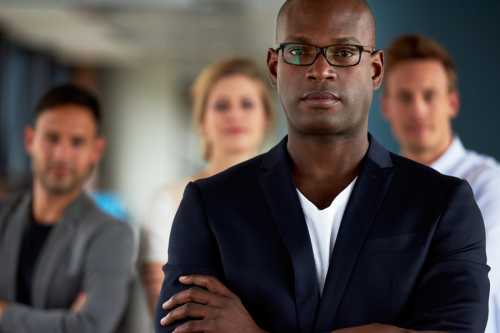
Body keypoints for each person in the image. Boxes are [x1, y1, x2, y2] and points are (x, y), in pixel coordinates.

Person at [155, 0, 489, 332]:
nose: (321, 70)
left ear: (374, 71)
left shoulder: (444, 203)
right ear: (274, 68)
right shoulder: (209, 205)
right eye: (299, 51)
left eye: (344, 53)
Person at [380, 34, 500, 333]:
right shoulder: (373, 187)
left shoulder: (488, 183)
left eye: (429, 95)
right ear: (387, 108)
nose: (417, 110)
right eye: (405, 97)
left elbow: (464, 285)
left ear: (452, 102)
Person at [140, 58, 274, 315]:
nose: (235, 114)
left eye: (247, 104)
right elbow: (169, 309)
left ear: (266, 117)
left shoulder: (293, 195)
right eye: (221, 105)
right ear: (202, 120)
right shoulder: (168, 201)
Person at [0, 84, 135, 333]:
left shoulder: (111, 235)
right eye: (52, 138)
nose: (62, 154)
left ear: (97, 150)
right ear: (30, 140)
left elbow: (90, 327)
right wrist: (63, 321)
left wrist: (3, 313)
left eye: (77, 142)